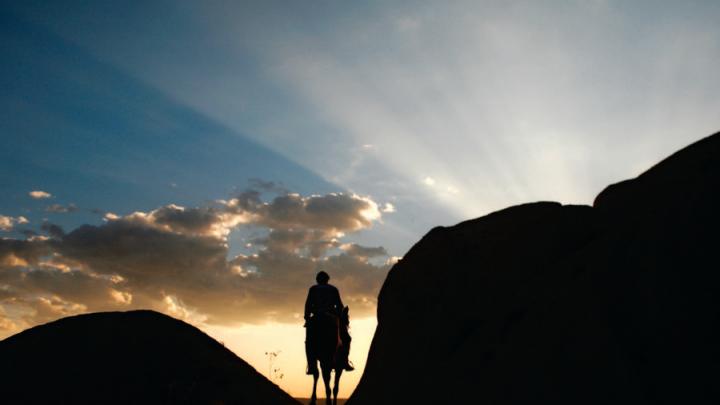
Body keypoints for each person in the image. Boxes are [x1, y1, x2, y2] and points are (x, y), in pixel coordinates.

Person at [304, 271, 354, 374]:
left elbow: (308, 304)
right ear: (327, 280)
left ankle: (312, 365)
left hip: (316, 318)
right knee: (347, 339)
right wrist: (339, 315)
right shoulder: (333, 289)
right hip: (332, 317)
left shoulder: (313, 289)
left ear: (317, 280)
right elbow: (340, 306)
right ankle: (345, 362)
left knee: (309, 342)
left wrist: (307, 318)